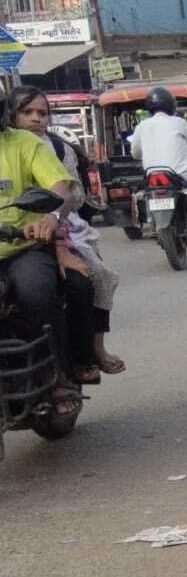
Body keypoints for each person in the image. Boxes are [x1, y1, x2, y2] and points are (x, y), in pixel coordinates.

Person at [9, 87, 123, 376]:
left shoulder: (50, 148)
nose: (35, 118)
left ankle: (85, 354)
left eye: (41, 113)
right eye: (27, 112)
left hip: (55, 226)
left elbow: (70, 192)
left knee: (87, 278)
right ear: (12, 114)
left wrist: (53, 218)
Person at [0, 116, 87, 414]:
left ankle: (59, 376)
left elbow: (58, 187)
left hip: (21, 247)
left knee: (37, 291)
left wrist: (51, 216)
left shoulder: (23, 143)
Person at [131, 86, 187, 225]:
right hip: (181, 174)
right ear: (171, 105)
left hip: (151, 176)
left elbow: (135, 153)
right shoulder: (179, 123)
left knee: (145, 193)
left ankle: (151, 220)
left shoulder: (141, 126)